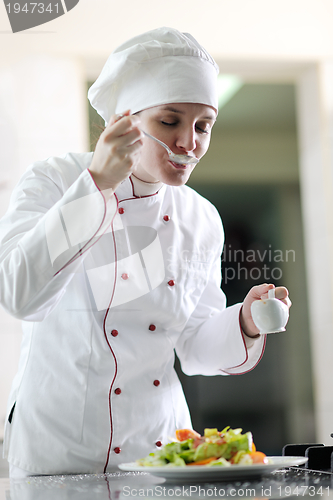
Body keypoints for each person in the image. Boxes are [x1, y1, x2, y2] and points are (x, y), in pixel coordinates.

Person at [0, 27, 290, 477]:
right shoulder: (55, 180)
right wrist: (96, 185)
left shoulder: (201, 218)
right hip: (56, 450)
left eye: (203, 126)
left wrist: (245, 322)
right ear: (124, 120)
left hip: (158, 453)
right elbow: (20, 295)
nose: (189, 142)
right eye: (169, 122)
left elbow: (193, 346)